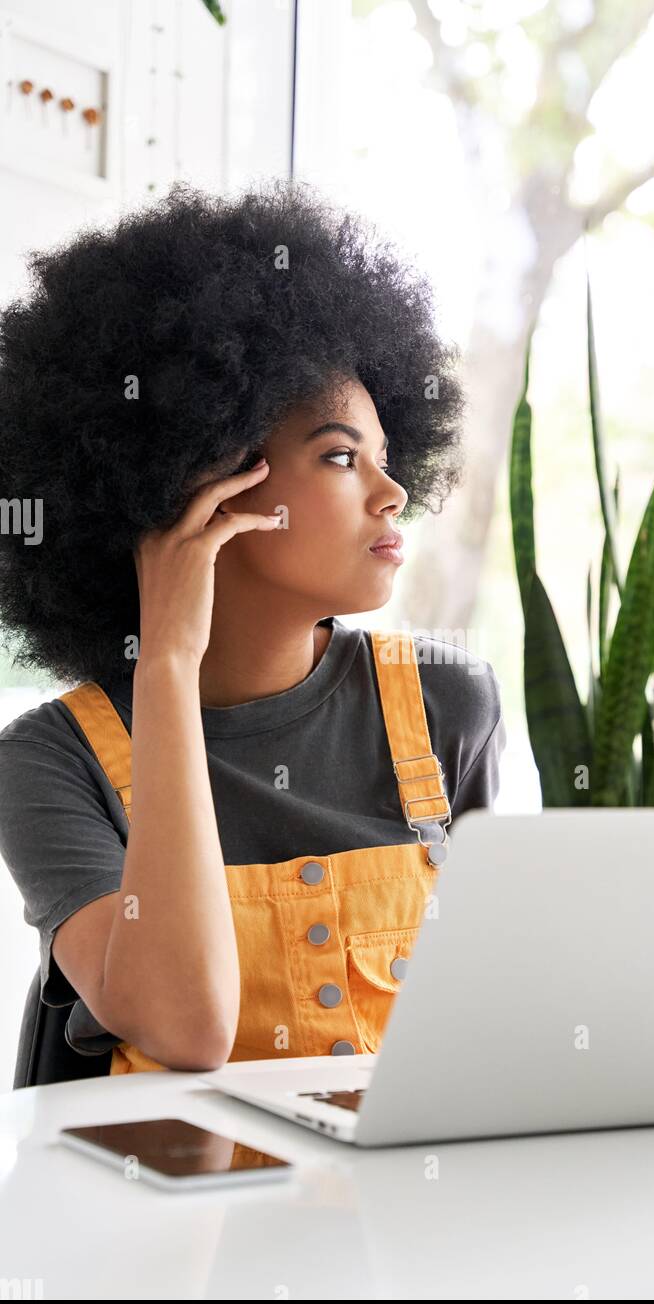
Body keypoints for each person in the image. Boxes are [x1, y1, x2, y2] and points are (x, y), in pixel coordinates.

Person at [0, 180, 506, 1086]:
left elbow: (488, 1023)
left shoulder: (446, 705)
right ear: (207, 483)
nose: (393, 495)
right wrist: (167, 666)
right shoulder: (50, 760)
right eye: (341, 456)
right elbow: (184, 1028)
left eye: (389, 458)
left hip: (398, 1215)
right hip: (167, 1223)